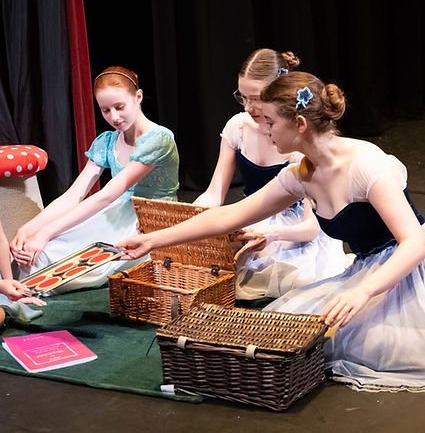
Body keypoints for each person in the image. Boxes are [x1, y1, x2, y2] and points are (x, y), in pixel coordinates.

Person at [116, 70, 425, 392]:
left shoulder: (366, 165)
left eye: (271, 122)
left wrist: (364, 291)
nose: (264, 130)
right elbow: (230, 215)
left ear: (300, 125)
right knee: (291, 328)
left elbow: (415, 241)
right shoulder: (301, 174)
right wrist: (153, 239)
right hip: (368, 269)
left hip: (407, 268)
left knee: (371, 347)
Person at [194, 48, 348, 299]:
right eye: (242, 97)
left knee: (298, 284)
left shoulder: (296, 138)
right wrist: (188, 217)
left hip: (292, 232)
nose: (248, 106)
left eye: (255, 98)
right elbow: (214, 193)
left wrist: (270, 235)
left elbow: (311, 227)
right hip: (252, 217)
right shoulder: (238, 126)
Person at [10, 66, 179, 290]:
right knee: (37, 253)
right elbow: (74, 195)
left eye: (120, 107)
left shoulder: (158, 139)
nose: (114, 117)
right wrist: (30, 228)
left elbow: (106, 196)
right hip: (116, 213)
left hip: (149, 219)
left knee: (52, 265)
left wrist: (46, 231)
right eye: (105, 110)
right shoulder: (107, 141)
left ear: (138, 97)